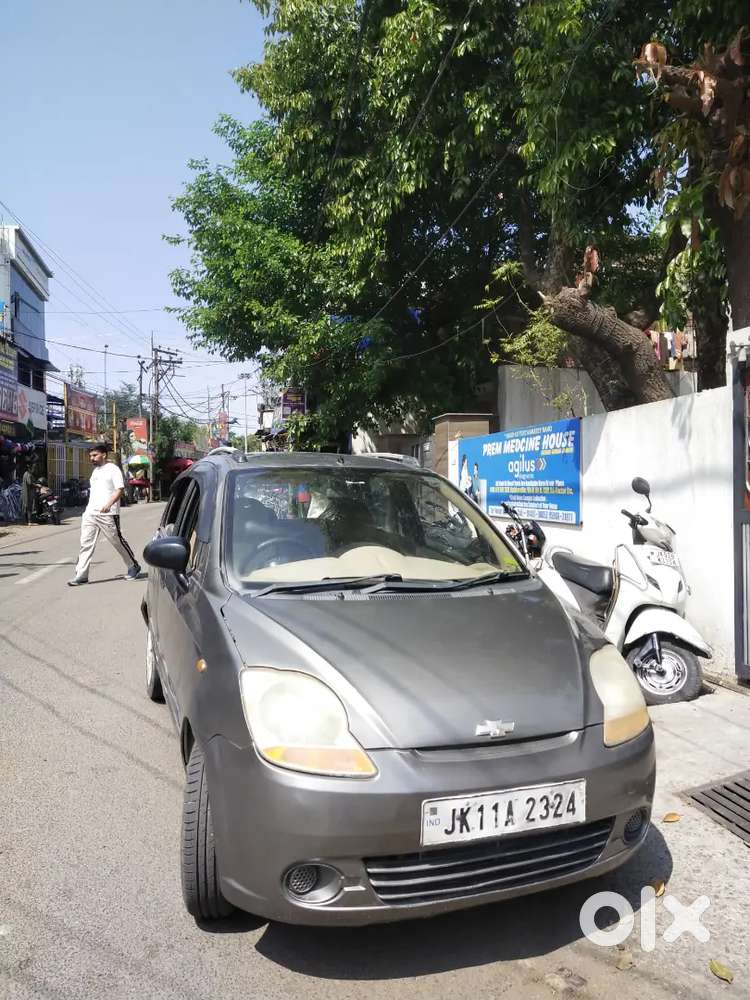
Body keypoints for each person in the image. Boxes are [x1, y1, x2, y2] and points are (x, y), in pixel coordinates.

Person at [68, 443, 140, 586]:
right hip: (90, 513)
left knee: (116, 541)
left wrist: (108, 505)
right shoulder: (95, 471)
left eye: (94, 455)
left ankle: (133, 566)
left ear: (104, 455)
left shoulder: (113, 469)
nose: (92, 458)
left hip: (108, 513)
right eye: (90, 456)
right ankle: (81, 575)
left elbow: (120, 489)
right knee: (85, 544)